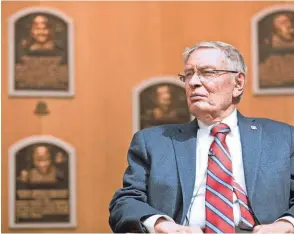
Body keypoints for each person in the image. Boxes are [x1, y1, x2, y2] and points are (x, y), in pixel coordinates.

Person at [109, 41, 294, 233]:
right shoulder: (154, 142)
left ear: (238, 83)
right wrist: (163, 226)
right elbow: (126, 202)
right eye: (188, 74)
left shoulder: (282, 138)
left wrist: (286, 225)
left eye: (207, 72)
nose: (193, 82)